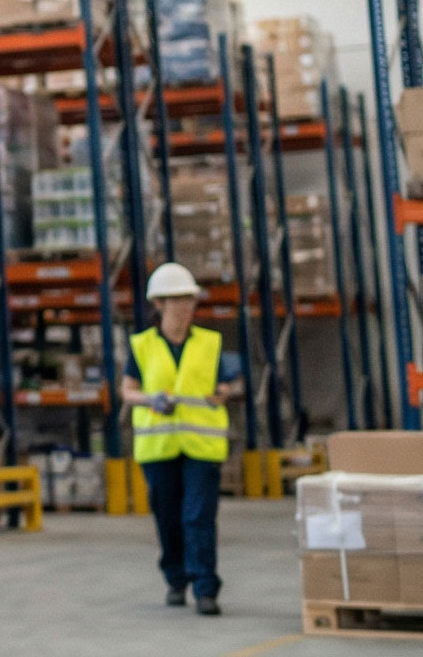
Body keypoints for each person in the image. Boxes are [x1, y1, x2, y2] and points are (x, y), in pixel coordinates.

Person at [120, 261, 243, 617]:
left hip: (201, 445)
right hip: (158, 446)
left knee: (198, 516)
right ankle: (176, 580)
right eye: (178, 301)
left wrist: (223, 392)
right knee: (168, 517)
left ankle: (205, 588)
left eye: (190, 300)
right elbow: (127, 390)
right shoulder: (142, 345)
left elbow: (228, 384)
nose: (186, 307)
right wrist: (150, 399)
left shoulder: (210, 343)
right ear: (159, 304)